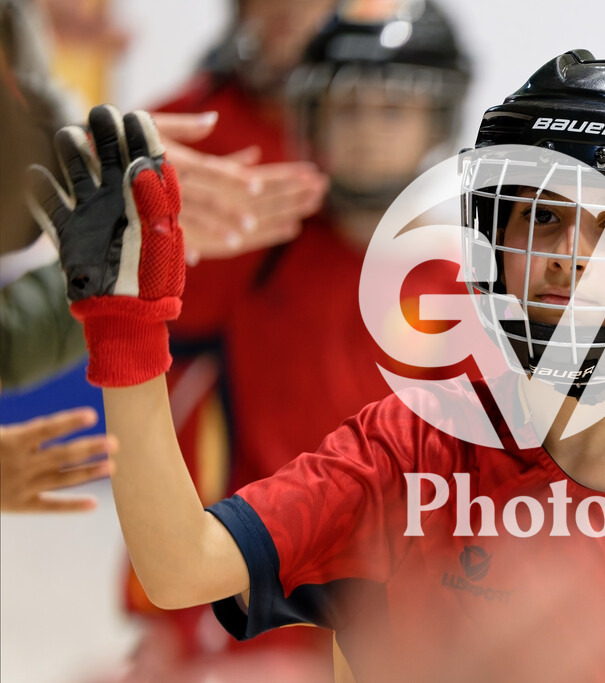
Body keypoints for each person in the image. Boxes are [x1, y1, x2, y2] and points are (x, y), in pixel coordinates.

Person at [30, 49, 605, 682]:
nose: (569, 256)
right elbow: (180, 566)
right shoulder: (410, 447)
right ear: (491, 241)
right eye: (540, 216)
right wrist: (127, 328)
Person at [115, 1, 472, 680]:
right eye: (346, 108)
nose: (366, 131)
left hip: (429, 602)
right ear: (308, 119)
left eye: (393, 109)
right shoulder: (250, 254)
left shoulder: (478, 275)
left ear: (439, 119)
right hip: (269, 586)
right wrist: (165, 616)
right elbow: (175, 415)